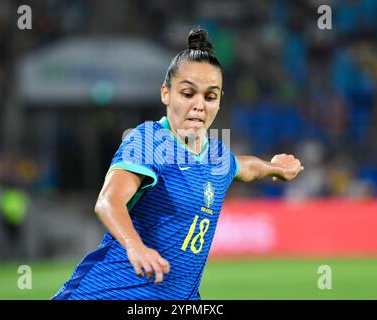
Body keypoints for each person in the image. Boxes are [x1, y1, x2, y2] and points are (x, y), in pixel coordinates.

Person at [53, 27, 304, 300]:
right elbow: (108, 201)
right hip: (106, 293)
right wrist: (135, 246)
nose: (199, 105)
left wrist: (274, 167)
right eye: (187, 93)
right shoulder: (150, 140)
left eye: (210, 96)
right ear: (166, 94)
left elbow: (245, 168)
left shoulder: (217, 156)